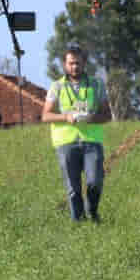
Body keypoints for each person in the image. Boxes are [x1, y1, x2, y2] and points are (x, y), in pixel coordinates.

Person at [41, 47, 111, 223]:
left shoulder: (97, 84)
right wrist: (66, 116)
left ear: (84, 64)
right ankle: (78, 222)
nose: (75, 67)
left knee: (95, 181)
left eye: (78, 63)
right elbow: (46, 115)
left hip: (92, 141)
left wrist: (91, 118)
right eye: (71, 63)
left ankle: (92, 212)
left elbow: (107, 115)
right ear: (65, 64)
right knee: (73, 188)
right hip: (66, 142)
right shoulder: (57, 86)